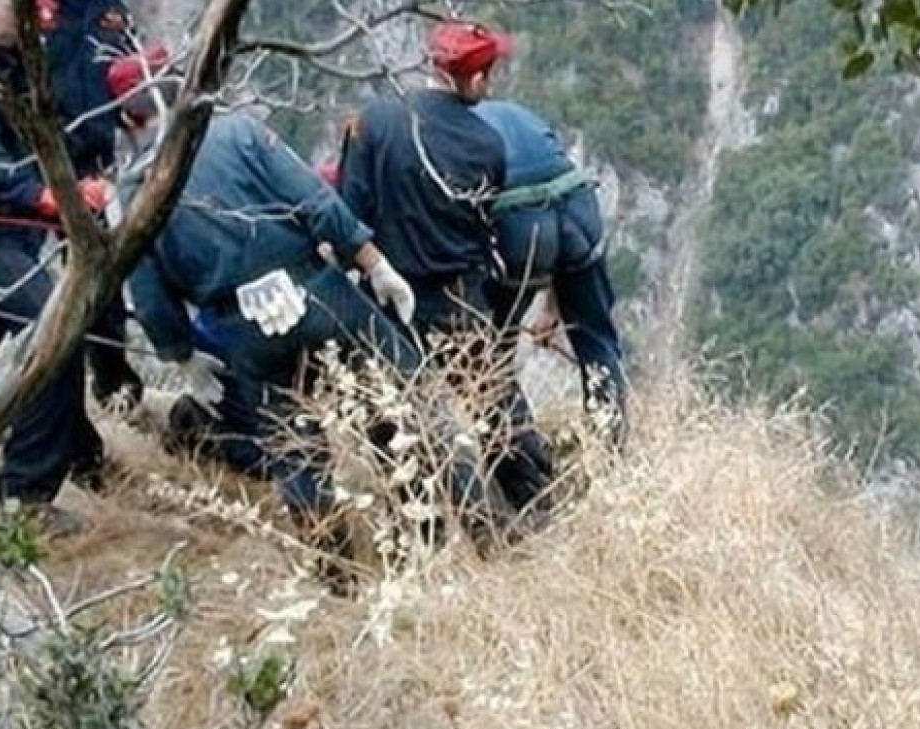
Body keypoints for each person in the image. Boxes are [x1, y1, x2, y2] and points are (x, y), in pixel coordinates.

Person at [105, 45, 496, 581]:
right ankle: (479, 538)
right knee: (410, 403)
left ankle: (338, 580)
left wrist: (182, 357)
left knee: (298, 455)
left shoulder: (131, 192)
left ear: (129, 119)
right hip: (316, 291)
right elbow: (315, 201)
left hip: (244, 330)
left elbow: (148, 295)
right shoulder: (237, 133)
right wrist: (374, 262)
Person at [338, 20, 556, 518]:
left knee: (389, 414)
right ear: (473, 79)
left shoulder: (372, 122)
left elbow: (349, 216)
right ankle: (536, 504)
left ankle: (421, 520)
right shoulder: (486, 145)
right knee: (492, 402)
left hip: (388, 299)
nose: (492, 82)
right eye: (489, 72)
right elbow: (484, 226)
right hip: (459, 299)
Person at [0, 0, 114, 537]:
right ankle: (26, 497)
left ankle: (75, 454)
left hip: (8, 231)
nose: (29, 18)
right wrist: (46, 195)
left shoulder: (14, 64)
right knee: (54, 334)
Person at [472, 99, 628, 448]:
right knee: (597, 342)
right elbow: (555, 205)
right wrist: (553, 309)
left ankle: (525, 463)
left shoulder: (458, 131)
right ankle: (612, 452)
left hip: (520, 226)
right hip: (578, 207)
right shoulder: (521, 114)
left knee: (492, 354)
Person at [43, 0, 144, 411]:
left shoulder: (106, 10)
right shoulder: (24, 15)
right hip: (34, 159)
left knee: (102, 282)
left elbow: (126, 73)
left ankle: (113, 384)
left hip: (96, 166)